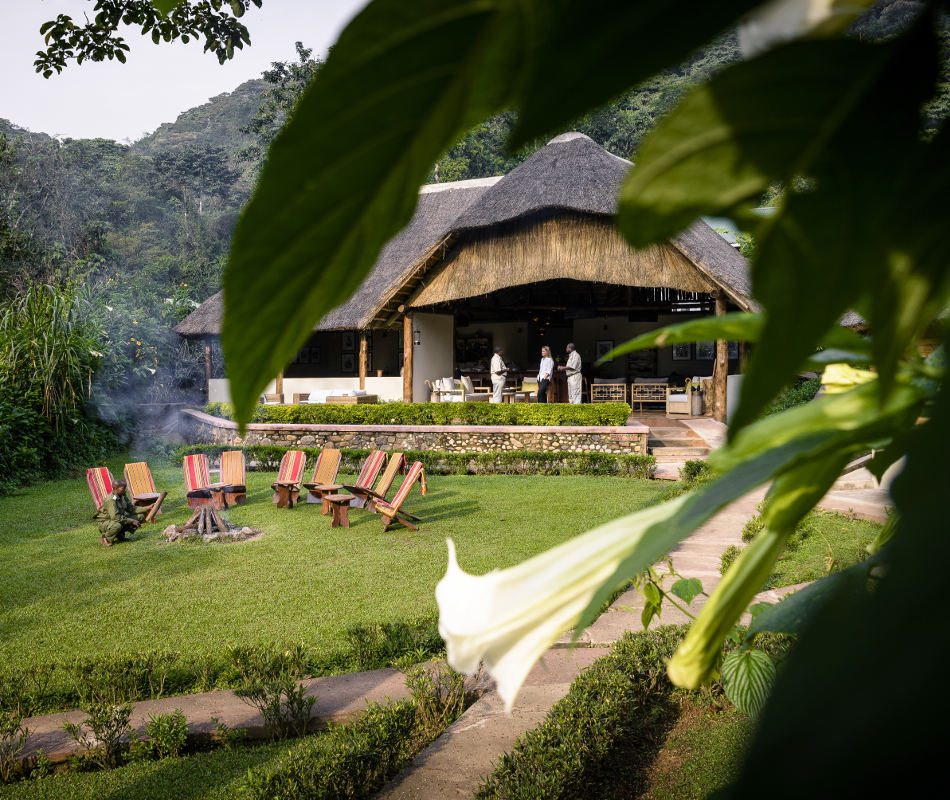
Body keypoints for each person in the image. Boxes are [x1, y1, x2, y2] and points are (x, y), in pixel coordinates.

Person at [95, 479, 146, 546]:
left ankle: (119, 535)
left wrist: (147, 508)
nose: (125, 489)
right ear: (115, 488)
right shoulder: (111, 500)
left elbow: (132, 509)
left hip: (117, 519)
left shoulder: (122, 495)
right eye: (123, 488)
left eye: (125, 487)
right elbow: (115, 517)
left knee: (140, 516)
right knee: (117, 525)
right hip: (106, 521)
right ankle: (106, 538)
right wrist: (131, 521)